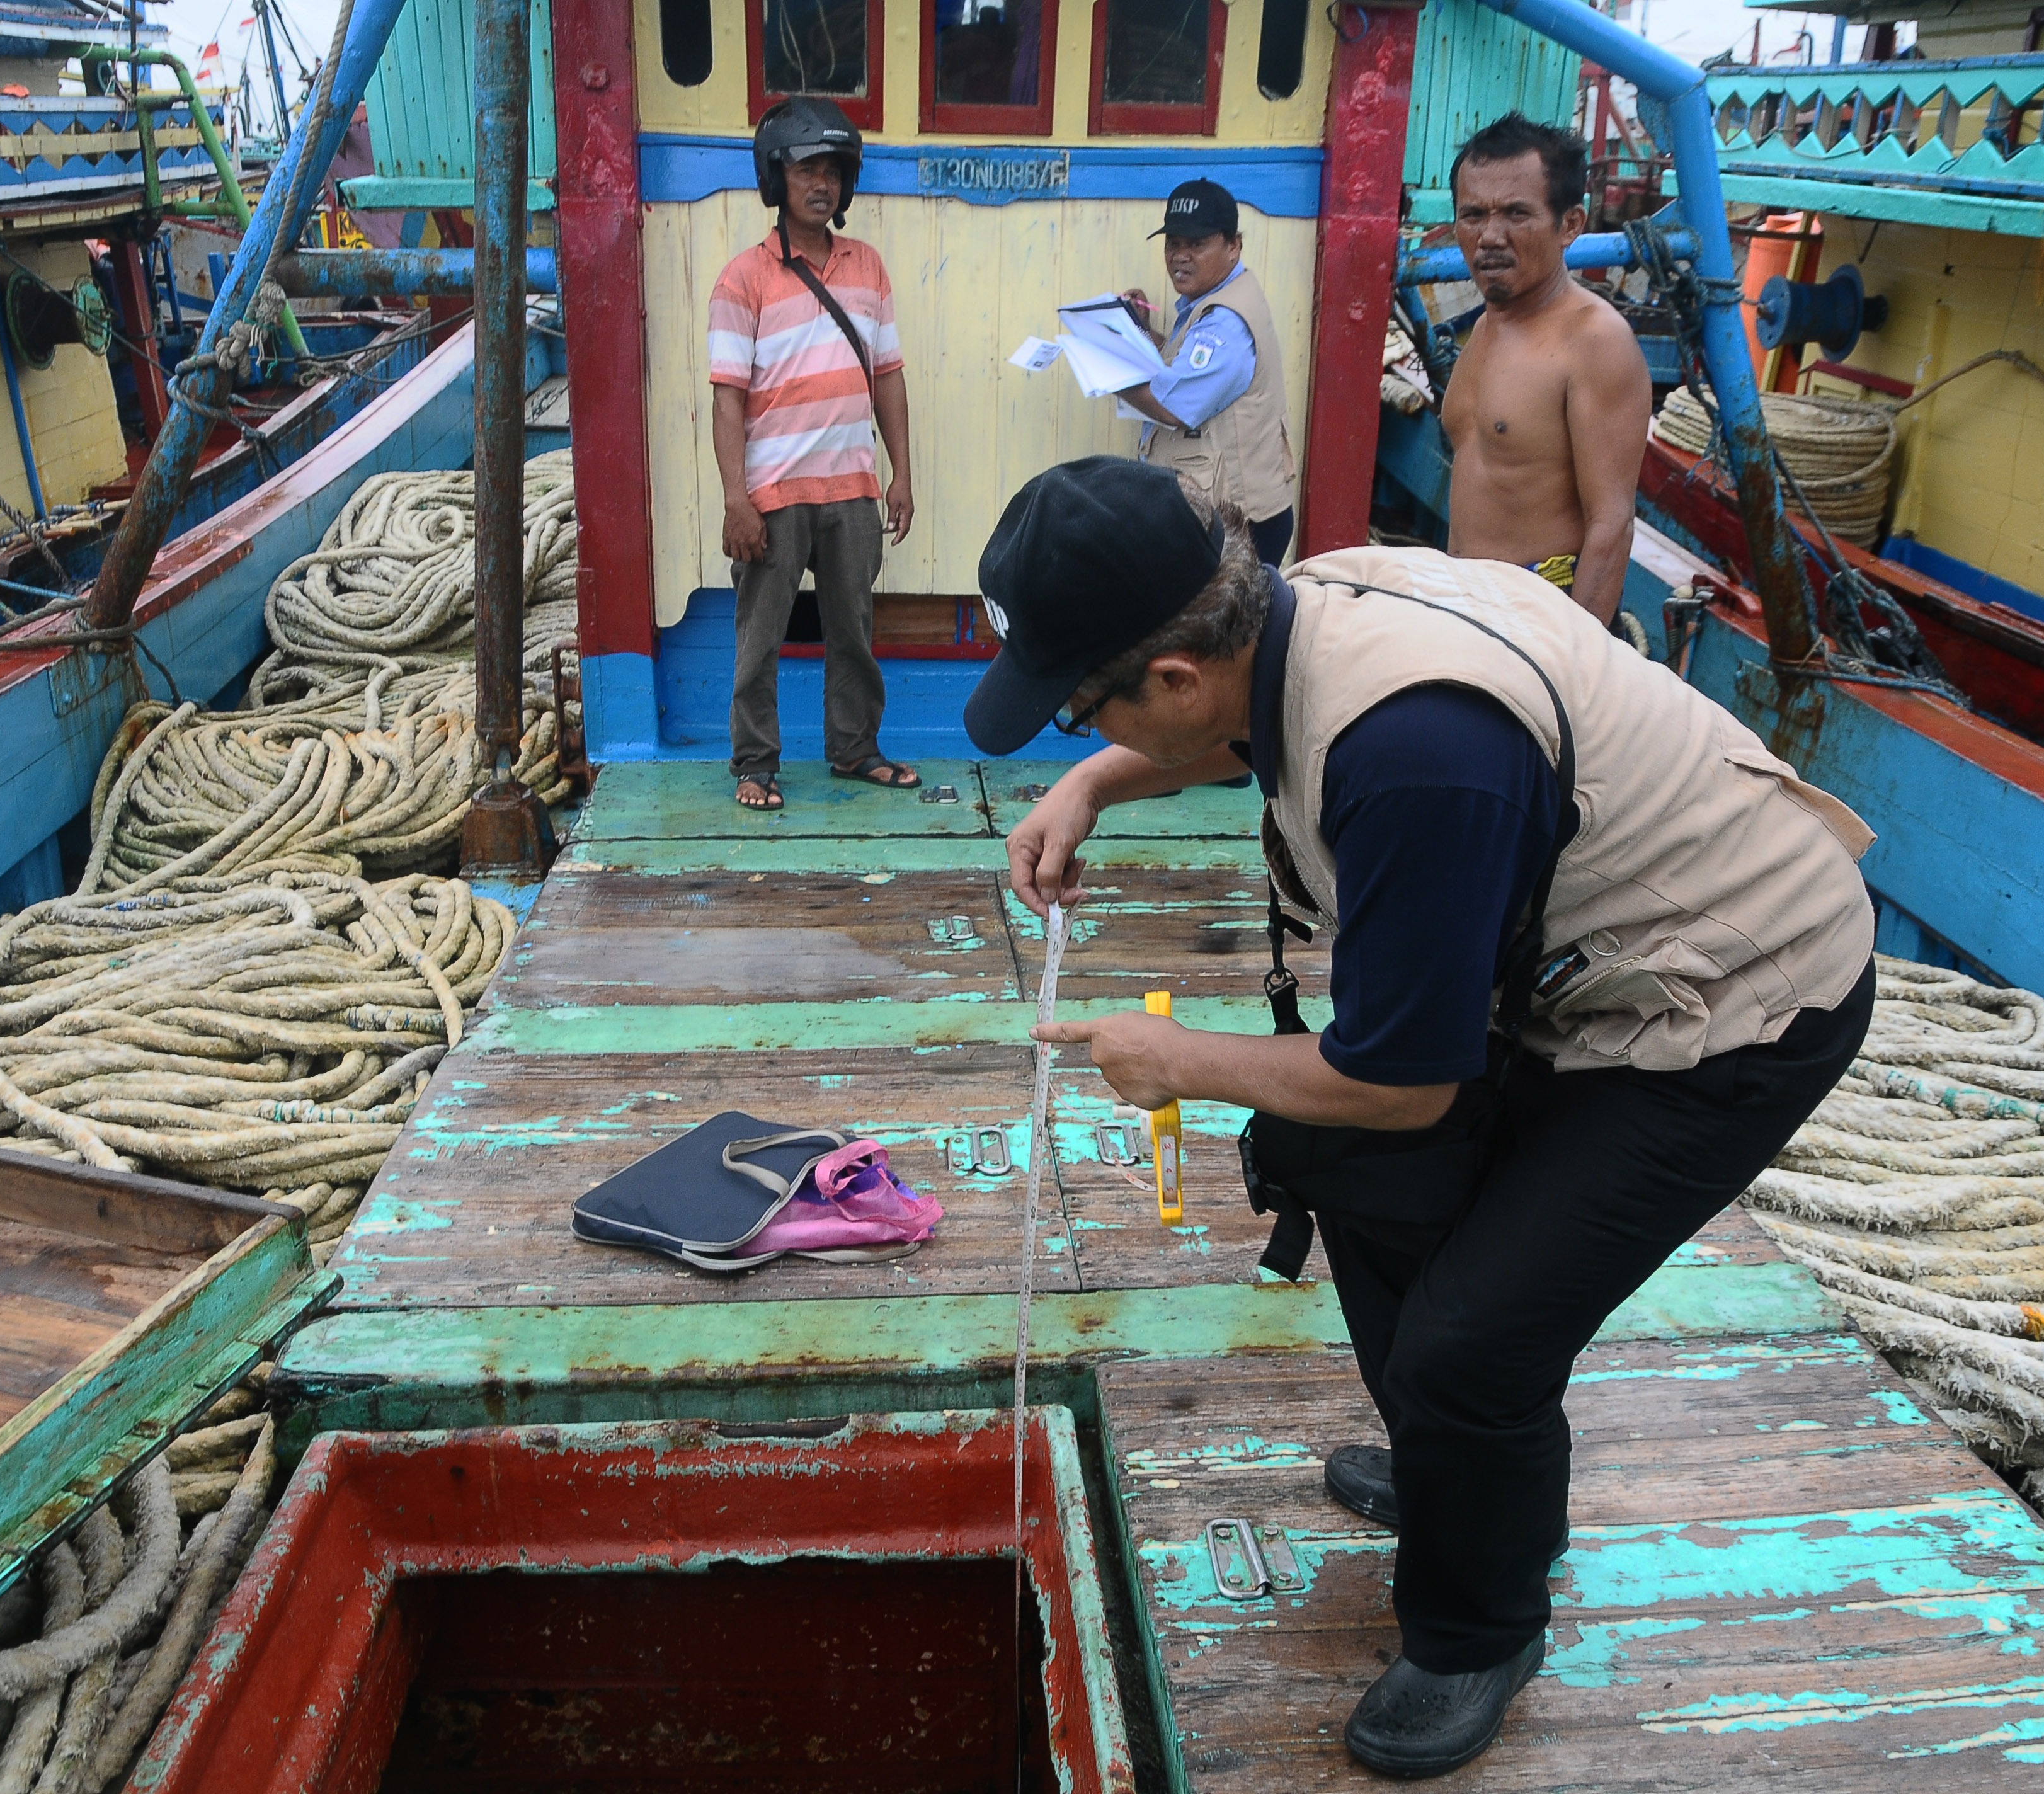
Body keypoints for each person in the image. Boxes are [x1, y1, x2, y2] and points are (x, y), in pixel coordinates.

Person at [968, 456, 1878, 1780]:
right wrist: (1094, 784)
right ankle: (1463, 1476)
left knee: (1473, 1342)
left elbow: (1405, 1081)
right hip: (1581, 955)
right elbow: (1237, 723)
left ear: (1172, 675)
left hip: (1732, 1004)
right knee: (1355, 1175)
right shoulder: (1289, 607)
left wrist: (1172, 1057)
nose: (1069, 732)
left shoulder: (1411, 753)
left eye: (1071, 714)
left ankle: (1477, 1625)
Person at [708, 96, 919, 813]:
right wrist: (737, 498)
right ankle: (756, 763)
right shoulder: (744, 278)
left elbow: (886, 376)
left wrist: (901, 474)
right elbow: (728, 398)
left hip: (853, 489)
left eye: (832, 169)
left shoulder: (869, 268)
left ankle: (855, 749)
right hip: (773, 491)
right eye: (805, 169)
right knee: (759, 639)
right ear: (777, 177)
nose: (820, 183)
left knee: (852, 631)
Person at [1440, 114, 1652, 629]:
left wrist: (1572, 672)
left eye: (1516, 213)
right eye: (1472, 215)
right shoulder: (1489, 328)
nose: (1490, 236)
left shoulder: (1594, 341)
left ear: (1572, 225)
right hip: (1463, 611)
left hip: (1539, 622)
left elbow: (1611, 524)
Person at [1115, 179, 1300, 567]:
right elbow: (1188, 368)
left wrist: (1107, 364)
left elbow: (1173, 404)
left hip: (1238, 528)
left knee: (1215, 628)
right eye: (1173, 243)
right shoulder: (1214, 300)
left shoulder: (1225, 324)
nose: (1180, 256)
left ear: (1233, 246)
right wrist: (1144, 334)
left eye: (1197, 245)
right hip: (1225, 518)